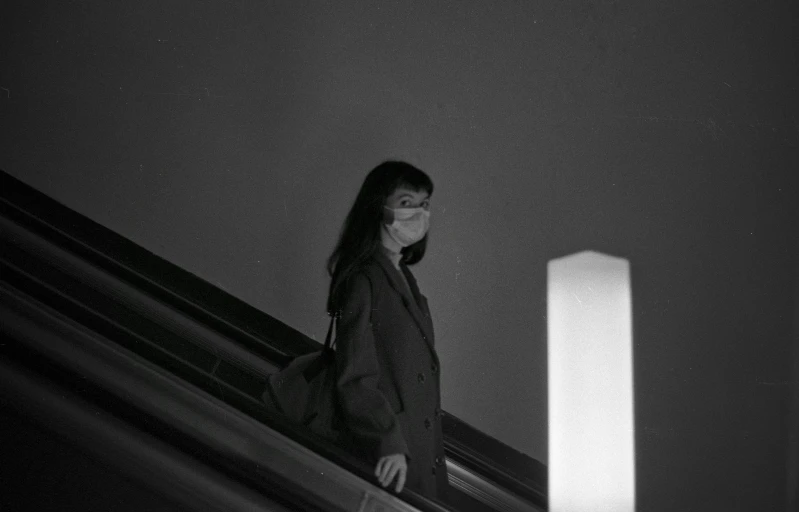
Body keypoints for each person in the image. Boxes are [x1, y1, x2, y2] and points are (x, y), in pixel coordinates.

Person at [326, 160, 447, 500]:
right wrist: (387, 441)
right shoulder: (364, 278)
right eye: (406, 202)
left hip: (417, 454)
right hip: (391, 457)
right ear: (378, 207)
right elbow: (355, 376)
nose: (418, 214)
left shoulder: (405, 279)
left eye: (424, 205)